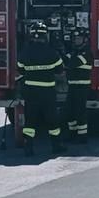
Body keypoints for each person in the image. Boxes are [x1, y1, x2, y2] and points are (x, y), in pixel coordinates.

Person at [16, 21, 66, 156]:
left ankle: (28, 148)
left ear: (31, 36)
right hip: (47, 93)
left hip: (30, 92)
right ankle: (56, 146)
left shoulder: (24, 53)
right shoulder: (52, 53)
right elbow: (60, 71)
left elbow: (20, 70)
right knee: (52, 120)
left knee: (30, 120)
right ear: (46, 36)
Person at [63, 28, 93, 142]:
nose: (76, 40)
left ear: (85, 40)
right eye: (75, 38)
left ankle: (82, 136)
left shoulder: (87, 53)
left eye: (79, 38)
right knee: (69, 111)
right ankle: (72, 133)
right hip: (72, 86)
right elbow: (65, 60)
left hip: (82, 87)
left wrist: (68, 58)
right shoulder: (75, 52)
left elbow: (71, 63)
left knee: (80, 112)